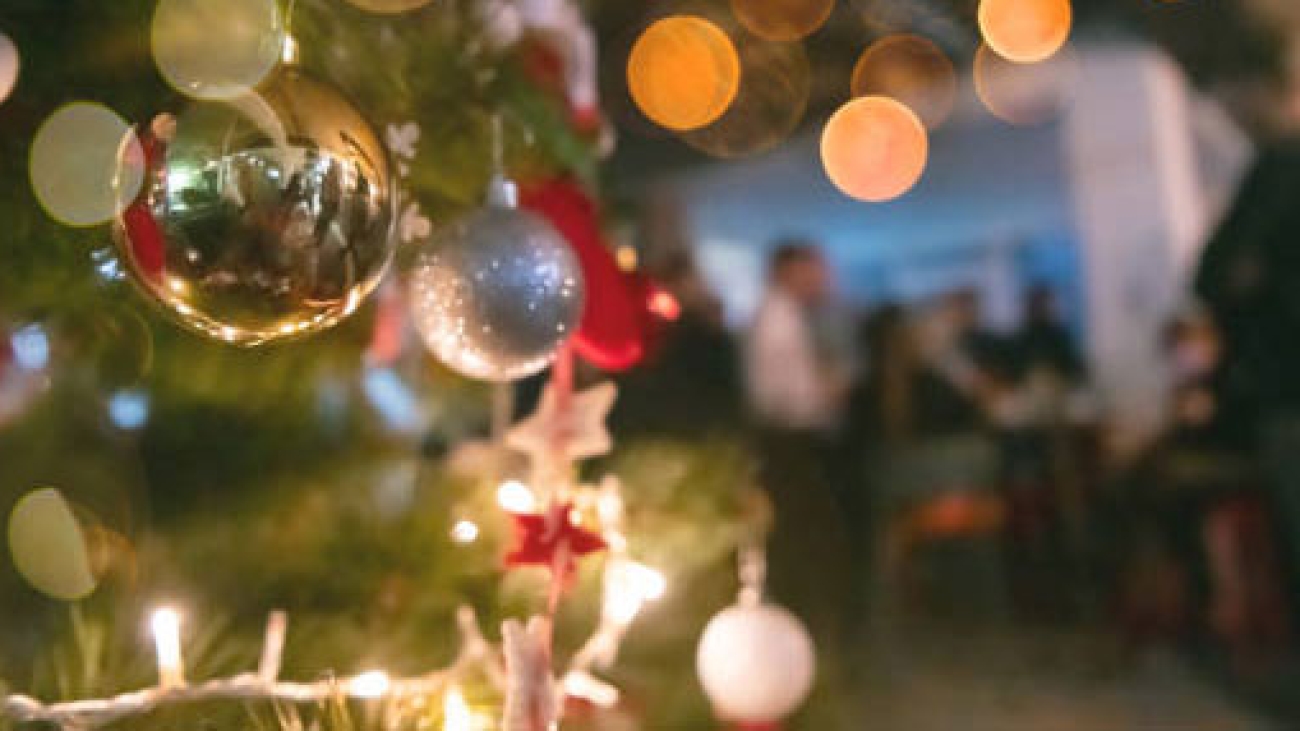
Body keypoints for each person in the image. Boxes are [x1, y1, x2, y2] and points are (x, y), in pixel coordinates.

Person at [744, 240, 855, 727]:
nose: (823, 276)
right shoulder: (780, 319)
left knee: (804, 551)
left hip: (789, 447)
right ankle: (803, 663)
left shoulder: (783, 315)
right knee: (805, 553)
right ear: (791, 269)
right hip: (791, 448)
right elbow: (789, 399)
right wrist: (829, 391)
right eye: (815, 267)